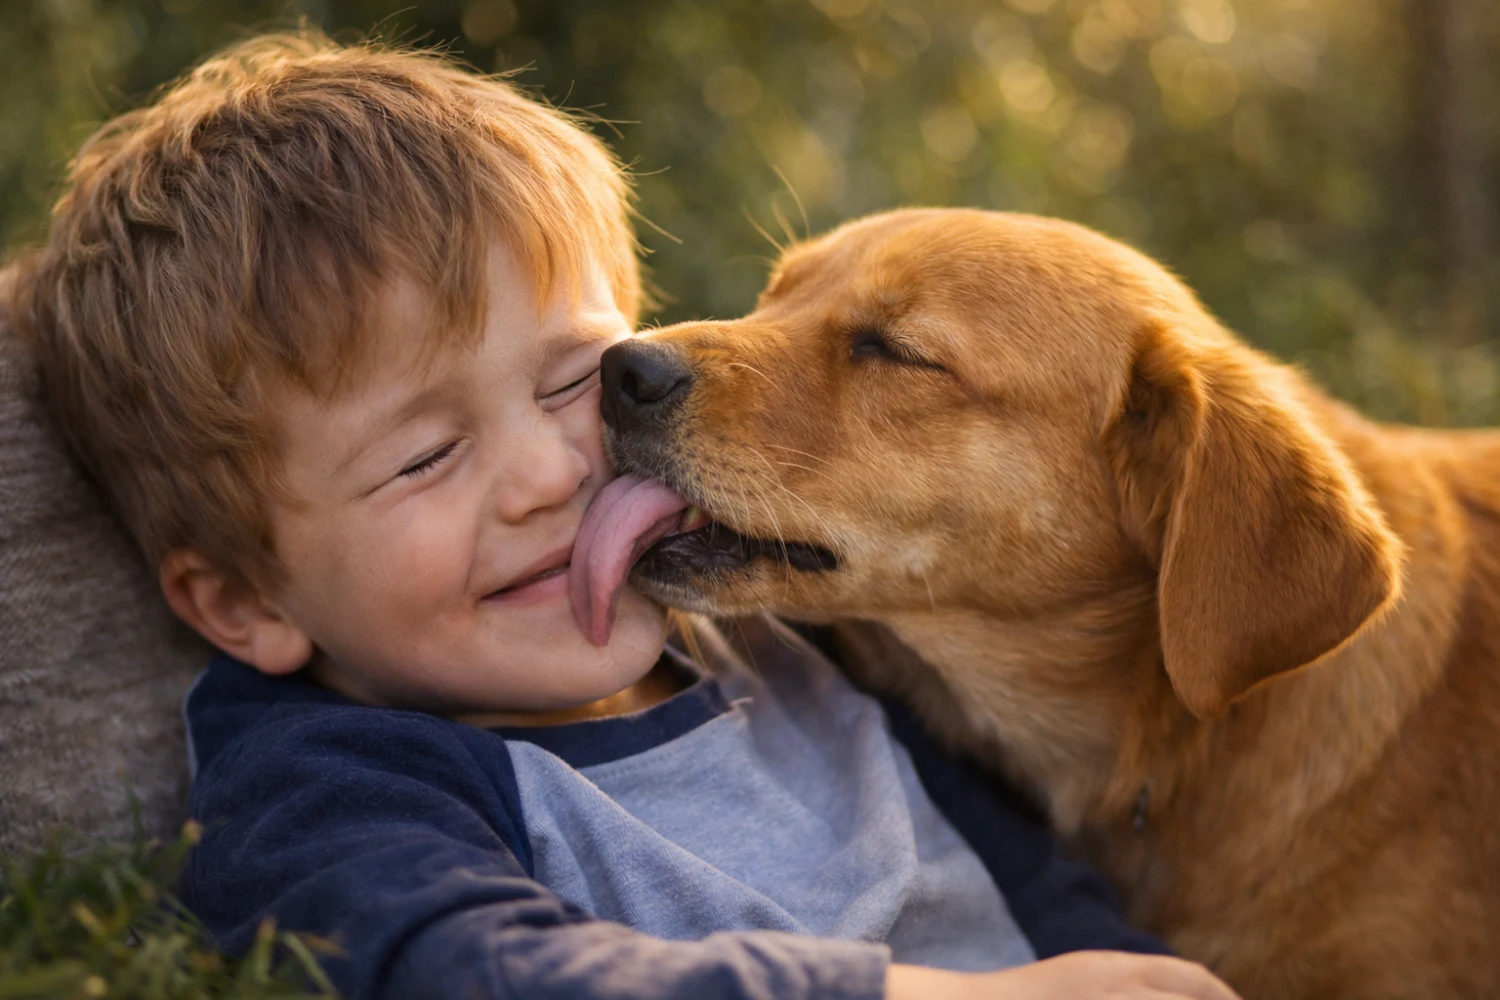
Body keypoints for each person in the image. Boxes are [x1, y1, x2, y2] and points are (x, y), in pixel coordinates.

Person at [10, 33, 1239, 1000]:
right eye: (427, 455)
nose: (551, 473)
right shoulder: (339, 783)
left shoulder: (782, 636)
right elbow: (476, 977)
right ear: (245, 600)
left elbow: (1029, 879)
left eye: (579, 382)